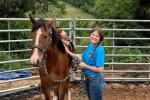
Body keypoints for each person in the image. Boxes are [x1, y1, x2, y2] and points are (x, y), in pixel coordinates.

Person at [64, 28, 105, 100]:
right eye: (93, 34)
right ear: (90, 35)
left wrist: (85, 66)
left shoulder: (100, 50)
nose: (94, 37)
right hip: (88, 79)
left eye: (97, 36)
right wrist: (68, 51)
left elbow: (100, 69)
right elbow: (81, 58)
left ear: (100, 39)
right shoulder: (90, 46)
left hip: (95, 80)